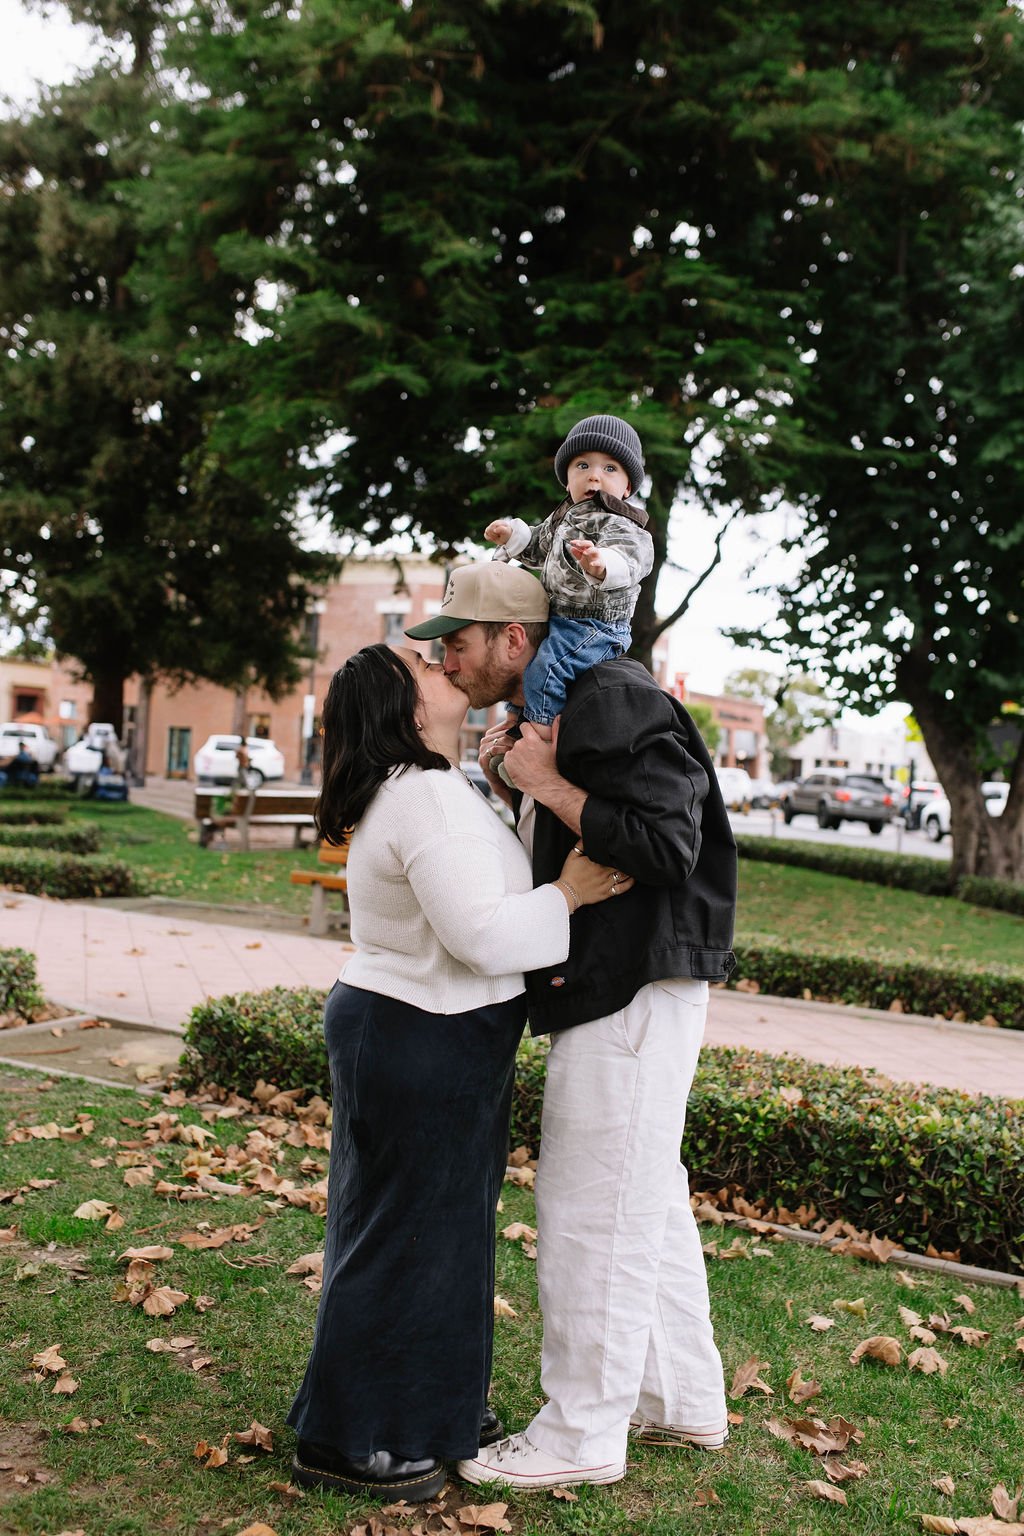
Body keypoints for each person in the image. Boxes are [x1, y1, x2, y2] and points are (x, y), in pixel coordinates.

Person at [406, 560, 737, 1492]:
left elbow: (672, 845)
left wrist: (547, 784)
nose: (452, 662)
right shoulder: (573, 702)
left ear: (516, 639)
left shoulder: (610, 695)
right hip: (620, 978)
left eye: (459, 644)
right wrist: (521, 783)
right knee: (643, 1193)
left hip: (631, 981)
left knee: (592, 1208)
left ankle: (581, 1433)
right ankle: (680, 1399)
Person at [287, 631, 631, 1504]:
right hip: (417, 1036)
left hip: (434, 1036)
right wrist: (569, 896)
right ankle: (351, 1438)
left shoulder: (440, 787)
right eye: (418, 667)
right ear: (401, 708)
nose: (440, 662)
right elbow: (479, 935)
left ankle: (433, 1411)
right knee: (404, 1238)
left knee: (440, 1237)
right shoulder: (424, 799)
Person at [484, 413, 654, 749]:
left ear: (628, 487)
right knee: (518, 664)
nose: (594, 476)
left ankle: (541, 744)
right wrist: (512, 537)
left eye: (609, 469)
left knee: (546, 672)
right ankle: (519, 721)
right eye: (582, 466)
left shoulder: (622, 524)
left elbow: (633, 560)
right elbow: (536, 548)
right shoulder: (563, 518)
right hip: (557, 616)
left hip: (594, 626)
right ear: (566, 479)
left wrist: (600, 564)